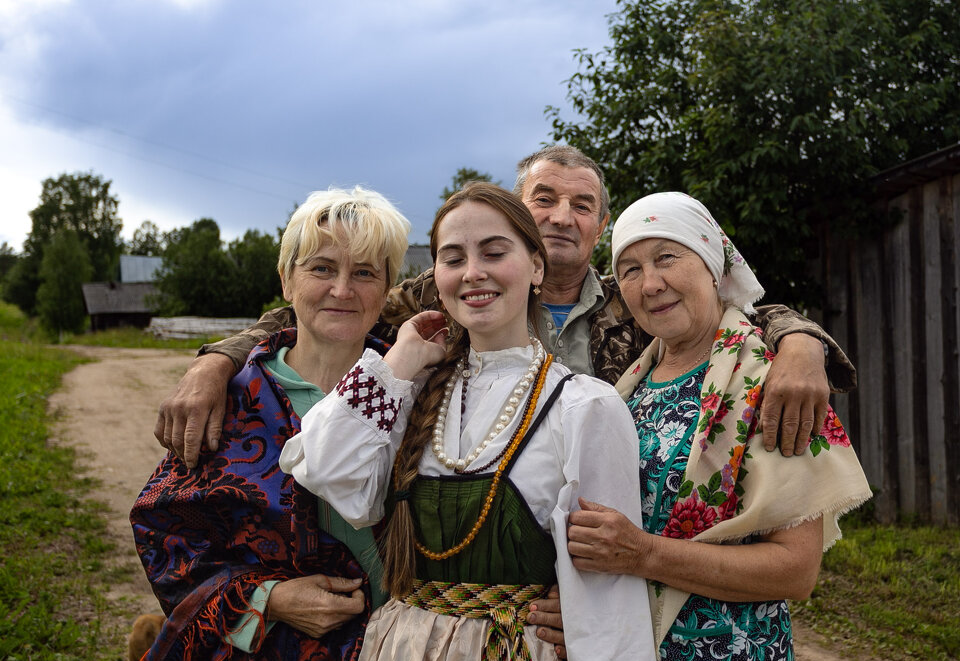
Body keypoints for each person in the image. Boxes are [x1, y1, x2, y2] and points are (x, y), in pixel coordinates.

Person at [279, 182, 663, 661]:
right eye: (453, 258)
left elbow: (608, 600)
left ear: (536, 266)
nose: (473, 273)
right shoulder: (415, 390)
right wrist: (401, 358)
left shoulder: (584, 408)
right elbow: (329, 470)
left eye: (494, 252)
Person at [156, 145, 856, 472]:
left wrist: (799, 344)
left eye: (582, 205)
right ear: (517, 217)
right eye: (544, 198)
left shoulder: (631, 304)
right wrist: (217, 362)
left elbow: (733, 314)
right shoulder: (446, 296)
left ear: (601, 225)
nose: (561, 215)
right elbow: (331, 307)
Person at [94, 187, 412, 661]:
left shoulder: (420, 394)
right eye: (321, 268)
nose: (342, 290)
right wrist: (269, 598)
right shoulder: (232, 398)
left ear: (387, 289)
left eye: (364, 273)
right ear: (287, 280)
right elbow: (168, 539)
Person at [564, 192, 873, 661]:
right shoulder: (628, 380)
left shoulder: (774, 383)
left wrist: (643, 555)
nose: (650, 283)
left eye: (667, 258)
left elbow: (794, 570)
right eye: (630, 268)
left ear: (712, 263)